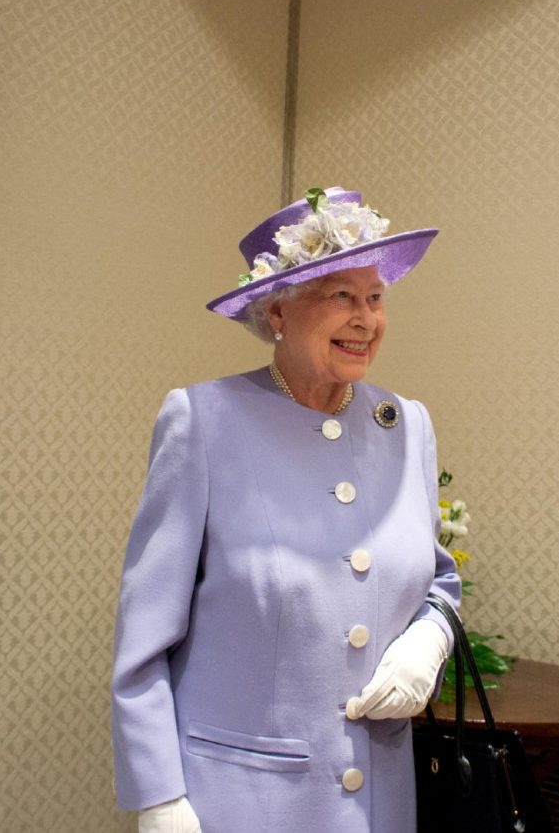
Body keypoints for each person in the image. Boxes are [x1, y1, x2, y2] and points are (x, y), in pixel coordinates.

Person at [111, 187, 461, 832]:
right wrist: (158, 797)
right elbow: (144, 638)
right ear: (277, 310)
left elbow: (439, 579)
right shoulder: (203, 422)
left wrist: (430, 640)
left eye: (375, 298)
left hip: (380, 803)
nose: (366, 319)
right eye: (341, 297)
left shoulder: (405, 426)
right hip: (241, 803)